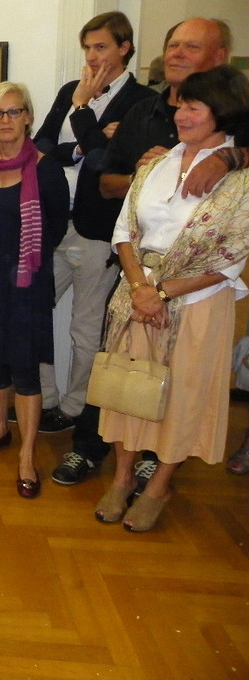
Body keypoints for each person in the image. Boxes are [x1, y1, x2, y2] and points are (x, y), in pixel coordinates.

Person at [94, 65, 249, 532]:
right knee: (126, 387)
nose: (181, 114)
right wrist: (140, 288)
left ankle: (159, 486)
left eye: (194, 107)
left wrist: (161, 293)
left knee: (182, 395)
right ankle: (122, 478)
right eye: (181, 104)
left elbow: (231, 256)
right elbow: (124, 230)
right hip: (137, 292)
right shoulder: (156, 164)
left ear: (221, 113)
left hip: (198, 301)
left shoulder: (240, 178)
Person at [31, 12, 156, 486]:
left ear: (124, 48)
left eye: (101, 47)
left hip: (98, 230)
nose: (92, 56)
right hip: (53, 221)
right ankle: (45, 398)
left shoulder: (142, 102)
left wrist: (85, 119)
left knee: (86, 329)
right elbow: (43, 144)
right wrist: (82, 146)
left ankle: (74, 408)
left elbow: (113, 166)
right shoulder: (70, 90)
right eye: (87, 47)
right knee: (35, 309)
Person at [0, 82, 70, 498]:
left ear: (28, 117)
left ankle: (26, 454)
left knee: (24, 367)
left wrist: (22, 263)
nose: (6, 120)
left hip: (25, 281)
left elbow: (55, 228)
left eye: (14, 111)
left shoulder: (46, 169)